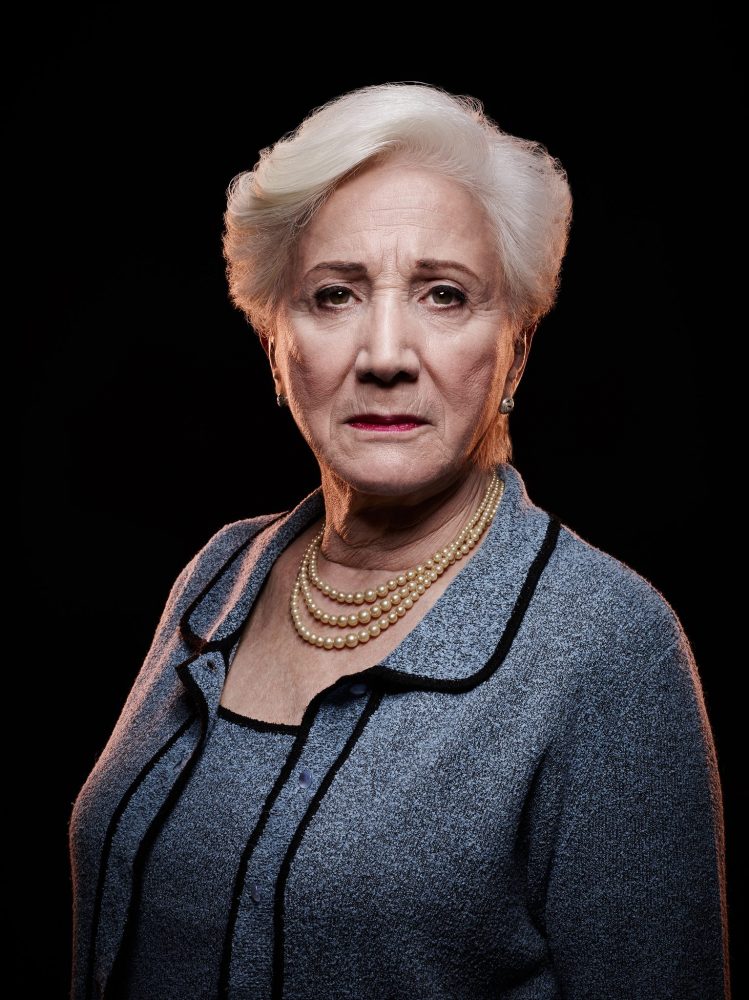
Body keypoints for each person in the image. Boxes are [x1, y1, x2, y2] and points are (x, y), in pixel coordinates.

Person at [68, 82, 730, 1000]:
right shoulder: (220, 574)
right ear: (275, 345)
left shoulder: (606, 642)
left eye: (443, 295)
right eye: (333, 295)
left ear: (515, 349)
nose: (384, 354)